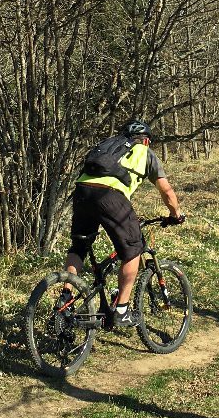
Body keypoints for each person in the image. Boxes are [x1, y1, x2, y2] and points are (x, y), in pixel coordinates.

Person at [59, 120, 183, 327]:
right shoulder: (144, 152)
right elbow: (167, 191)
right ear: (146, 140)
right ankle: (122, 310)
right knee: (133, 250)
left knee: (79, 247)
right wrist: (176, 214)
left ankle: (66, 297)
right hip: (110, 197)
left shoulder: (108, 146)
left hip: (81, 192)